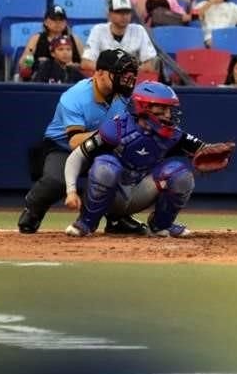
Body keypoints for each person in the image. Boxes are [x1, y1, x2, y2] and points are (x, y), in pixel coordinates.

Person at [61, 81, 235, 238]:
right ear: (144, 107)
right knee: (105, 166)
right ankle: (86, 223)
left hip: (141, 192)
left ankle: (161, 225)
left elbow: (204, 149)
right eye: (163, 108)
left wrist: (213, 155)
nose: (168, 114)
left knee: (180, 174)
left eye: (170, 109)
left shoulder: (174, 135)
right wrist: (71, 191)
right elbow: (77, 156)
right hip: (112, 193)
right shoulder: (117, 128)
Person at [17, 48, 145, 235]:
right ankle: (33, 209)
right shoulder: (75, 96)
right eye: (119, 73)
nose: (125, 79)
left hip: (102, 147)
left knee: (126, 165)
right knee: (57, 181)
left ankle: (117, 218)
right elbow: (75, 141)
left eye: (128, 74)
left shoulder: (123, 95)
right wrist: (107, 132)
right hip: (63, 146)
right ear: (99, 73)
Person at [82, 0, 159, 72]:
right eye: (119, 12)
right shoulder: (98, 30)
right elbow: (86, 63)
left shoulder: (139, 30)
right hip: (106, 77)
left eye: (127, 12)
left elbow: (150, 65)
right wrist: (114, 71)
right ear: (109, 14)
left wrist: (127, 72)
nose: (124, 16)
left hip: (131, 77)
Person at [17, 4, 85, 80]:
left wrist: (76, 66)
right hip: (41, 80)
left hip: (70, 80)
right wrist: (36, 63)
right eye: (54, 19)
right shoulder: (36, 38)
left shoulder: (75, 39)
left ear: (66, 23)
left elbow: (86, 62)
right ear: (46, 22)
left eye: (61, 20)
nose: (58, 23)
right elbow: (24, 61)